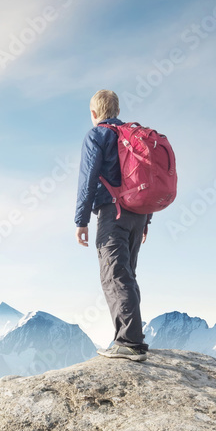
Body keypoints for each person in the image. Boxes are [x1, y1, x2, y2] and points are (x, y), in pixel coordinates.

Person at [75, 89, 151, 361]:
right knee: (127, 274)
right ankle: (132, 340)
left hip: (113, 213)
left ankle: (129, 343)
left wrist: (81, 220)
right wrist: (146, 221)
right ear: (117, 111)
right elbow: (146, 180)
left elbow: (88, 180)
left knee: (114, 275)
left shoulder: (97, 135)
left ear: (94, 113)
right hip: (138, 214)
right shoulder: (133, 136)